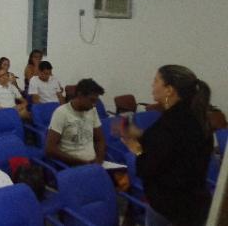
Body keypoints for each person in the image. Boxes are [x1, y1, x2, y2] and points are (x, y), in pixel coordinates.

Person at [122, 65, 213, 226]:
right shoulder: (197, 118)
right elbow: (175, 150)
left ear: (169, 90)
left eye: (156, 81)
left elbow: (147, 168)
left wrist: (136, 149)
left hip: (168, 207)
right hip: (195, 203)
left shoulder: (168, 125)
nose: (152, 85)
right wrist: (144, 135)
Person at [45, 78, 105, 166]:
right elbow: (50, 149)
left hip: (93, 165)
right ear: (80, 95)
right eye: (92, 100)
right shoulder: (61, 113)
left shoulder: (92, 111)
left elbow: (100, 140)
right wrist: (80, 163)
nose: (94, 105)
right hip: (73, 165)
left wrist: (99, 161)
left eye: (96, 101)